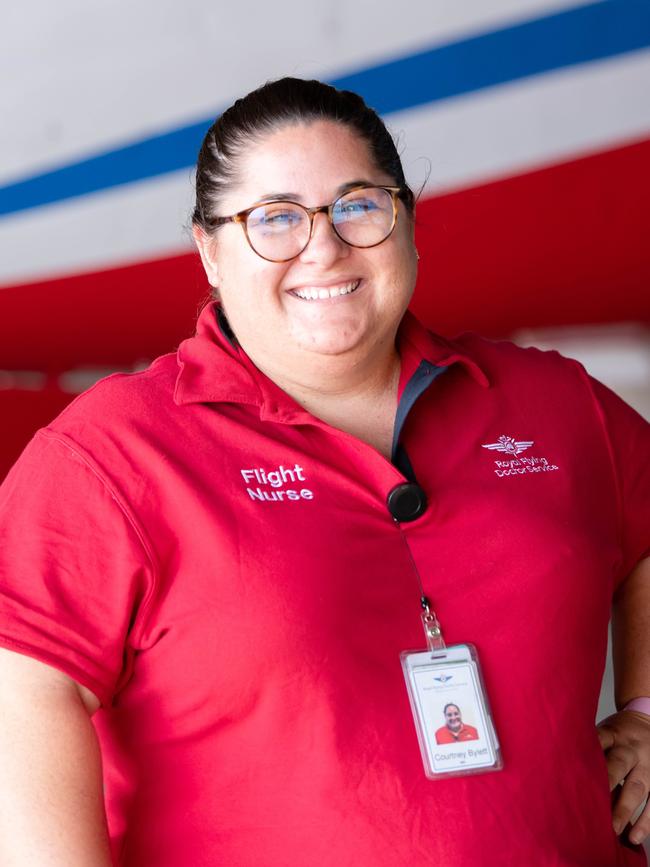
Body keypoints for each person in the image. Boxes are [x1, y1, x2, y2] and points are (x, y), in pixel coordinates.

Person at [0, 77, 648, 866]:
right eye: (274, 219)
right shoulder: (111, 455)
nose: (324, 246)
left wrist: (646, 709)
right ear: (209, 251)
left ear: (408, 221)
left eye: (359, 205)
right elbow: (24, 693)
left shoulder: (554, 402)